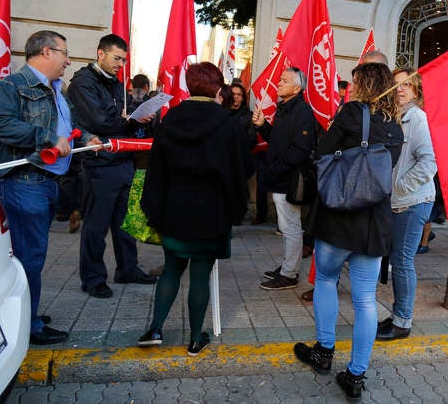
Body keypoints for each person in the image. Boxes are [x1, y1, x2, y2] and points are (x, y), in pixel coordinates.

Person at [293, 62, 403, 400]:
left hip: (339, 216)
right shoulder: (397, 128)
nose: (350, 88)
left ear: (365, 84)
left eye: (355, 82)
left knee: (326, 279)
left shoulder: (351, 113)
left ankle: (324, 352)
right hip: (373, 223)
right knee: (366, 298)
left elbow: (322, 153)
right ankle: (356, 375)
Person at [0, 30, 102, 345]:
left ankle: (28, 311)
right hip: (24, 182)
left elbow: (70, 125)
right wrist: (47, 138)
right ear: (46, 52)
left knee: (32, 255)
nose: (68, 60)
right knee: (29, 256)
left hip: (47, 183)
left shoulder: (57, 91)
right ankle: (28, 326)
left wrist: (86, 137)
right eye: (64, 52)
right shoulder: (12, 86)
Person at [137, 63, 248, 355]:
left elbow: (156, 169)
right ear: (217, 87)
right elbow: (237, 171)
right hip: (211, 212)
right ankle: (196, 338)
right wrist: (237, 210)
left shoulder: (171, 118)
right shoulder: (227, 122)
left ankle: (155, 328)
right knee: (200, 274)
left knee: (172, 269)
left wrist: (153, 208)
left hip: (174, 209)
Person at [68, 34, 157, 299]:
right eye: (116, 58)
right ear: (100, 54)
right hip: (99, 162)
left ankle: (128, 269)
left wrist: (138, 120)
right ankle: (93, 278)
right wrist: (131, 122)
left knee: (124, 222)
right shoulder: (83, 83)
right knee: (96, 225)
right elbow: (101, 122)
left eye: (124, 60)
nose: (121, 64)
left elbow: (117, 118)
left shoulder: (116, 83)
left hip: (122, 159)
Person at [376, 67, 437, 341]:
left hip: (412, 201)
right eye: (396, 84)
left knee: (402, 262)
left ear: (416, 91)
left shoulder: (419, 119)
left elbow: (429, 163)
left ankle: (403, 322)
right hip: (397, 201)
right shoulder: (395, 118)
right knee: (398, 261)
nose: (399, 89)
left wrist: (398, 187)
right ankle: (398, 313)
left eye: (406, 85)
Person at [252, 66, 317, 290]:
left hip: (288, 180)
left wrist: (276, 168)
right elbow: (278, 141)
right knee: (286, 225)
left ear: (297, 87)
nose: (278, 83)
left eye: (284, 80)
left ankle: (289, 273)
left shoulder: (302, 111)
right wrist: (263, 126)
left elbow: (300, 149)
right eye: (280, 80)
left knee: (290, 226)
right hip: (280, 177)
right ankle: (289, 266)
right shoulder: (286, 108)